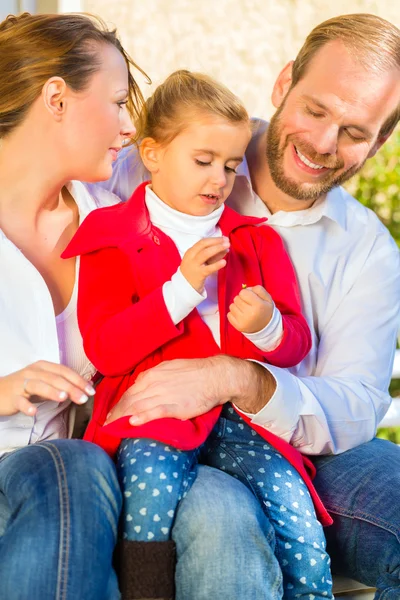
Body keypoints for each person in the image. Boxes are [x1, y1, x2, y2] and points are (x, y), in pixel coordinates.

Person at [94, 13, 400, 600]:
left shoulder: (366, 250)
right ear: (284, 83)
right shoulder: (165, 158)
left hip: (309, 449)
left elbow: (358, 405)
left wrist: (239, 380)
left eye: (357, 132)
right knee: (226, 526)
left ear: (380, 142)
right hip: (162, 429)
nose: (324, 144)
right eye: (316, 110)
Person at [64, 69, 334, 600]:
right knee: (148, 503)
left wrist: (268, 327)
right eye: (203, 161)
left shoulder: (254, 242)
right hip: (153, 414)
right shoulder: (110, 237)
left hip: (242, 422)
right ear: (153, 153)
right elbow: (106, 348)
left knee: (297, 513)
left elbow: (297, 344)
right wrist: (180, 288)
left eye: (231, 166)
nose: (219, 179)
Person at [0, 12, 147, 599]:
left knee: (69, 468)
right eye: (116, 101)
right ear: (56, 98)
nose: (128, 127)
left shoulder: (119, 223)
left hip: (69, 496)